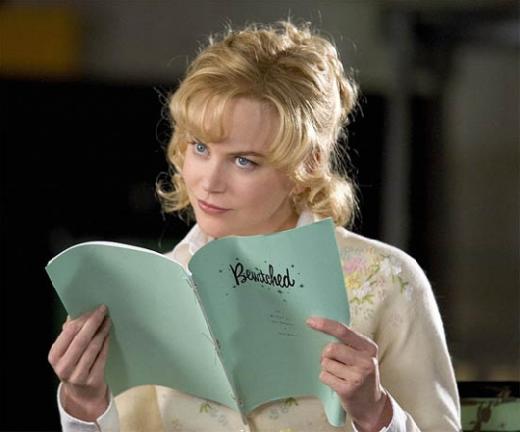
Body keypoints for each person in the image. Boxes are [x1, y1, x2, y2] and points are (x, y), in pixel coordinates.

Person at [48, 21, 461, 431]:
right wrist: (84, 405)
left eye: (244, 160)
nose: (209, 182)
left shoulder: (386, 280)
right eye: (200, 147)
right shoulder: (148, 291)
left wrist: (377, 413)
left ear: (307, 164)